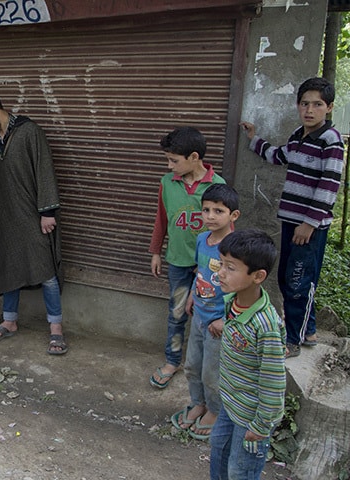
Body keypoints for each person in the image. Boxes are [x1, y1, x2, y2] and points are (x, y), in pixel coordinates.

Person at [240, 77, 344, 358]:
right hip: (291, 221)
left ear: (329, 107)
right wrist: (254, 139)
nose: (310, 110)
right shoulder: (299, 136)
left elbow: (329, 185)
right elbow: (280, 156)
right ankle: (307, 331)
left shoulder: (330, 142)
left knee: (298, 282)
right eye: (304, 104)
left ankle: (293, 341)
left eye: (317, 104)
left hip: (308, 227)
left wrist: (309, 223)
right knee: (291, 278)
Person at [0, 91, 67, 355]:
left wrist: (48, 212)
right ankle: (9, 321)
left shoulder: (30, 132)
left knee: (46, 271)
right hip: (4, 218)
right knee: (8, 267)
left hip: (33, 216)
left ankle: (56, 329)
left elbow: (45, 170)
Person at [149, 126, 226, 389]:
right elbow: (162, 218)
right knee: (177, 312)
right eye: (168, 160)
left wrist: (225, 265)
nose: (169, 166)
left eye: (174, 160)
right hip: (179, 261)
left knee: (207, 314)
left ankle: (206, 364)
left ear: (194, 157)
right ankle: (172, 360)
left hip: (209, 265)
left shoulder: (217, 186)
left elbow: (227, 231)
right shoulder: (167, 183)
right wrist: (156, 251)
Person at [210, 229, 285, 480]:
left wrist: (261, 426)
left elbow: (273, 383)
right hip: (231, 404)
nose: (220, 272)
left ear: (258, 276)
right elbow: (234, 320)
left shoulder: (265, 326)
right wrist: (225, 323)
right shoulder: (232, 300)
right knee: (218, 451)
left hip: (252, 418)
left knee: (240, 471)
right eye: (221, 264)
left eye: (230, 268)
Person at [170, 184, 240, 441]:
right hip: (199, 314)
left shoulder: (235, 248)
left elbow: (242, 289)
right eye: (206, 210)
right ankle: (197, 402)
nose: (210, 216)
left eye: (218, 211)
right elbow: (199, 273)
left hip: (218, 323)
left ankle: (214, 410)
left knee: (212, 371)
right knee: (192, 365)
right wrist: (191, 295)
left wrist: (225, 319)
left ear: (233, 216)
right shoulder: (201, 239)